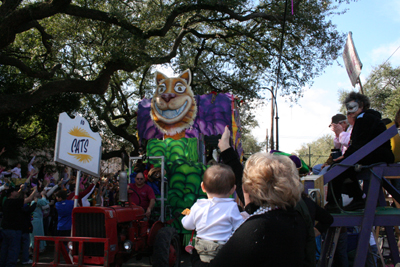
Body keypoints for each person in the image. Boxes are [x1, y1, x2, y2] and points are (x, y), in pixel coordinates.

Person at [191, 126, 309, 267]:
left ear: (251, 187)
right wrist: (226, 148)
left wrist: (195, 257)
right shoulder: (294, 218)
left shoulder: (257, 228)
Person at [325, 92, 395, 212]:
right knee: (344, 167)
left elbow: (358, 143)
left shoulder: (364, 118)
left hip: (376, 155)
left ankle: (334, 203)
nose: (350, 111)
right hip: (376, 154)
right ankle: (357, 198)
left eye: (352, 107)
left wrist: (346, 157)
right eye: (348, 108)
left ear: (361, 105)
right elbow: (359, 144)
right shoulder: (368, 117)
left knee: (337, 167)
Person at [181, 164, 243, 263]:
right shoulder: (232, 207)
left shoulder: (198, 205)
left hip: (201, 250)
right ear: (233, 189)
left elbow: (187, 225)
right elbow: (240, 228)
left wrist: (186, 216)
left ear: (203, 187)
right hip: (223, 250)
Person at [0, 185, 36, 267]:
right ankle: (10, 264)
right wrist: (35, 191)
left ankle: (2, 263)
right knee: (13, 249)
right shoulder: (14, 202)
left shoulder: (6, 201)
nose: (17, 192)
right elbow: (29, 199)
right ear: (12, 193)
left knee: (4, 248)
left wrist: (21, 189)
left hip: (5, 228)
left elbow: (18, 196)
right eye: (15, 191)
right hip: (14, 229)